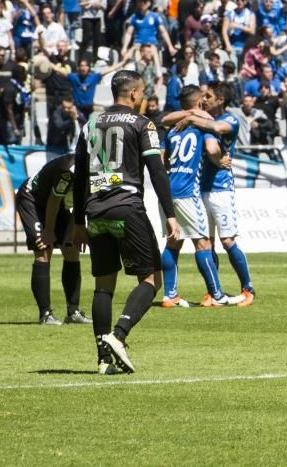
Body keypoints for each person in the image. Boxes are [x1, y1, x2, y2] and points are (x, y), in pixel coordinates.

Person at [72, 70, 180, 375]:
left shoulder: (89, 125)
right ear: (132, 93)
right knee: (151, 279)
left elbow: (81, 177)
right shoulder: (142, 123)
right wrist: (170, 214)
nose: (143, 97)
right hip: (127, 208)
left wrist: (78, 220)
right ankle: (118, 336)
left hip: (95, 212)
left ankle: (103, 360)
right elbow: (157, 171)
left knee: (103, 285)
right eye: (142, 92)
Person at [163, 82, 255, 306]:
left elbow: (218, 131)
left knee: (227, 240)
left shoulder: (229, 118)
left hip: (220, 188)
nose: (205, 99)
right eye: (202, 96)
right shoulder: (200, 123)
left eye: (209, 96)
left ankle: (247, 288)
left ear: (220, 100)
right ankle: (212, 292)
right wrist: (192, 117)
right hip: (196, 189)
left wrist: (192, 118)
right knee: (207, 242)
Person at [16, 154, 90, 326]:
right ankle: (45, 314)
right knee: (43, 251)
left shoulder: (100, 172)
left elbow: (83, 202)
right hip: (33, 200)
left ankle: (73, 312)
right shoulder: (69, 170)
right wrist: (48, 230)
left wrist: (75, 229)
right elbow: (54, 199)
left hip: (58, 203)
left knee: (71, 249)